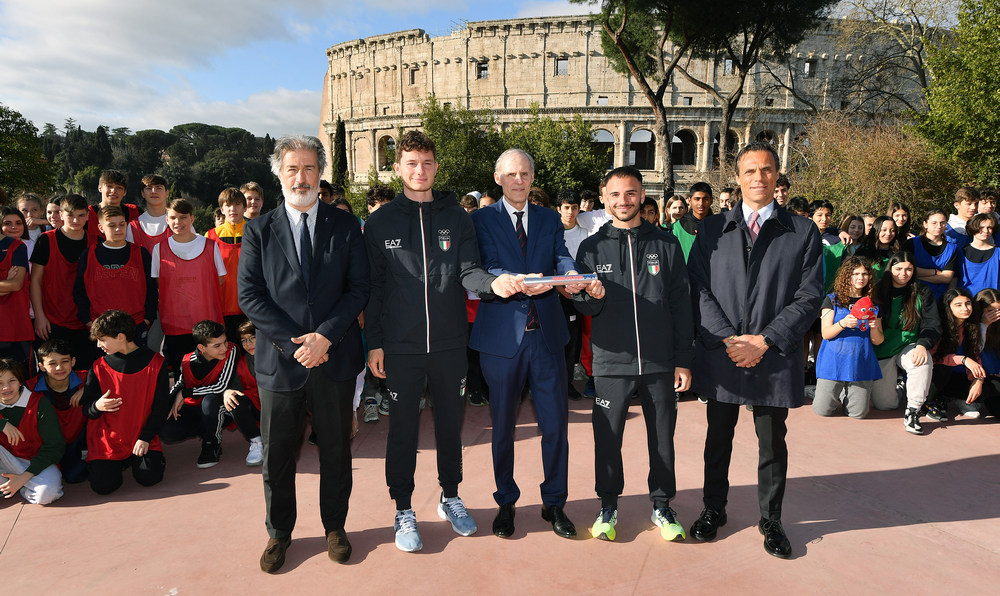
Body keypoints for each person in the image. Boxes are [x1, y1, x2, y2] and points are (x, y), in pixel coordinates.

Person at [364, 130, 516, 553]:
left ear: (436, 166)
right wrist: (374, 343)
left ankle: (451, 496)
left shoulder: (456, 217)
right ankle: (403, 509)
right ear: (397, 168)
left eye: (427, 163)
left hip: (450, 344)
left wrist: (493, 283)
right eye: (411, 163)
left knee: (452, 426)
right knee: (404, 432)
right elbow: (373, 288)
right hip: (401, 346)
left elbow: (469, 271)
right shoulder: (380, 223)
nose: (420, 171)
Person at [238, 134, 369, 573]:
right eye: (292, 168)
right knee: (277, 455)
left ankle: (335, 526)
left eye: (310, 168)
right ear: (279, 173)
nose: (301, 177)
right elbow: (251, 297)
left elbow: (358, 290)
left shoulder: (346, 226)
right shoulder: (257, 230)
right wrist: (297, 343)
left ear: (321, 173)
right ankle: (279, 532)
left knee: (336, 450)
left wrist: (325, 337)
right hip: (280, 362)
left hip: (334, 357)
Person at [687, 140, 823, 559]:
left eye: (766, 171)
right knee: (718, 439)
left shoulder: (802, 231)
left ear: (777, 176)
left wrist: (764, 340)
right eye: (750, 171)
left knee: (772, 443)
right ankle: (714, 510)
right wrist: (730, 339)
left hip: (773, 353)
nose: (758, 178)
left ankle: (772, 520)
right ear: (738, 177)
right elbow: (698, 290)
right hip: (723, 353)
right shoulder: (711, 229)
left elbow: (809, 294)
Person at [470, 148, 588, 540]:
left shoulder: (549, 218)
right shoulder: (482, 219)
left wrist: (569, 275)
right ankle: (506, 501)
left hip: (548, 339)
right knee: (503, 425)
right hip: (502, 340)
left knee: (555, 425)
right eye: (512, 174)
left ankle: (554, 502)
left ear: (532, 178)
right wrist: (518, 279)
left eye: (525, 174)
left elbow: (560, 256)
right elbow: (485, 265)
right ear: (498, 178)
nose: (519, 180)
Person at [572, 166, 691, 543]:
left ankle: (661, 505)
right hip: (611, 362)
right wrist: (585, 296)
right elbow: (584, 309)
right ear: (603, 199)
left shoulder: (666, 243)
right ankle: (608, 505)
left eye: (631, 193)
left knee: (662, 438)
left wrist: (683, 358)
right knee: (608, 439)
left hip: (659, 363)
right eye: (615, 194)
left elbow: (681, 304)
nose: (623, 201)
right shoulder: (590, 248)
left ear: (642, 195)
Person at [82, 309, 170, 495]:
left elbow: (161, 406)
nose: (98, 345)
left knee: (149, 478)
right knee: (103, 487)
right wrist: (97, 406)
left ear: (121, 337)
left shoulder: (156, 362)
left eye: (102, 339)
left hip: (141, 436)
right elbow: (86, 408)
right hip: (109, 441)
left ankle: (136, 458)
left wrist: (146, 437)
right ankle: (115, 461)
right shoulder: (98, 367)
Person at [165, 320, 263, 468]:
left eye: (225, 341)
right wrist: (169, 402)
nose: (224, 347)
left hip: (219, 406)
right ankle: (206, 431)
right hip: (196, 408)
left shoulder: (231, 350)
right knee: (168, 430)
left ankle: (212, 443)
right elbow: (181, 383)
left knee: (211, 402)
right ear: (201, 347)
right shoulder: (187, 360)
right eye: (217, 345)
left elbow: (221, 386)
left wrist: (186, 393)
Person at [151, 198, 226, 376]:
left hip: (208, 323)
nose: (178, 222)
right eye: (173, 217)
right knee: (181, 374)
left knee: (211, 373)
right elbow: (159, 283)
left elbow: (220, 279)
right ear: (167, 220)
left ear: (192, 218)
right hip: (175, 324)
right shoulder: (159, 249)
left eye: (183, 217)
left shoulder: (210, 245)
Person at [870, 252, 940, 434]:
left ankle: (913, 411)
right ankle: (901, 385)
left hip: (909, 346)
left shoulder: (922, 292)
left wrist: (923, 344)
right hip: (881, 349)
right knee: (886, 404)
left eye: (909, 269)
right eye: (898, 268)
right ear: (890, 270)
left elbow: (932, 324)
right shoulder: (877, 291)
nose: (904, 273)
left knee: (922, 361)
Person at [74, 205, 157, 345]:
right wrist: (87, 320)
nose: (118, 229)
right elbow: (79, 290)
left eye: (121, 224)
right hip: (101, 326)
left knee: (135, 366)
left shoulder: (141, 253)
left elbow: (152, 289)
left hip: (135, 324)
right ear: (101, 228)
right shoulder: (89, 254)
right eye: (112, 225)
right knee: (105, 366)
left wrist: (148, 318)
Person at [812, 257, 884, 418]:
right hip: (833, 362)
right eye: (855, 273)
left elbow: (878, 340)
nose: (860, 278)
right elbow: (826, 333)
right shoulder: (832, 299)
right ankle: (825, 390)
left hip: (860, 362)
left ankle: (846, 394)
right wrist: (843, 323)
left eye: (865, 273)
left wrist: (873, 327)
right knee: (822, 411)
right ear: (847, 275)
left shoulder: (873, 303)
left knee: (858, 414)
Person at [29, 195, 95, 368]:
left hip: (86, 322)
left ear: (87, 216)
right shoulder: (46, 240)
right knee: (53, 373)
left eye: (81, 215)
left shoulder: (96, 242)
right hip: (52, 322)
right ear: (61, 214)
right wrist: (39, 316)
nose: (75, 220)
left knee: (85, 375)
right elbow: (35, 281)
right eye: (70, 215)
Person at [0, 358, 65, 504]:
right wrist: (3, 424)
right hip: (5, 460)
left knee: (47, 496)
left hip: (36, 461)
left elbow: (54, 447)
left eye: (12, 380)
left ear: (21, 381)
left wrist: (23, 477)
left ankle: (19, 484)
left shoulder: (39, 403)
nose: (6, 388)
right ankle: (13, 483)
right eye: (0, 383)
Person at [26, 339, 88, 483]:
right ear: (41, 366)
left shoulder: (87, 379)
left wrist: (88, 388)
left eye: (65, 361)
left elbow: (111, 380)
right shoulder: (30, 388)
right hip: (50, 444)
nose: (59, 367)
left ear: (73, 361)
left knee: (75, 477)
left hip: (79, 438)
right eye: (52, 363)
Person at [926, 288, 986, 422]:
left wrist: (978, 380)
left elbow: (974, 355)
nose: (965, 308)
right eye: (958, 305)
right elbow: (933, 357)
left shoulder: (969, 326)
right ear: (948, 307)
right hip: (931, 375)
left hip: (950, 380)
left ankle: (955, 398)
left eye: (968, 303)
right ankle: (928, 402)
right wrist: (963, 359)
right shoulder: (939, 325)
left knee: (994, 386)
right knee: (944, 369)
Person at [556, 189, 590, 400]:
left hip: (578, 297)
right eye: (566, 207)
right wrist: (560, 289)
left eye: (574, 207)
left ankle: (567, 383)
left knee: (573, 342)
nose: (570, 212)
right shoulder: (552, 233)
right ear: (558, 209)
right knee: (553, 342)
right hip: (554, 296)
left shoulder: (586, 234)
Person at [206, 188, 248, 344]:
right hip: (222, 306)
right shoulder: (210, 237)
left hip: (250, 306)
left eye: (237, 204)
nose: (233, 209)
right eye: (228, 205)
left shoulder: (256, 232)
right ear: (222, 209)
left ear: (244, 208)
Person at [0, 207, 33, 365]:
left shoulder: (18, 247)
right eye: (8, 223)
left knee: (20, 383)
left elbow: (15, 284)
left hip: (14, 328)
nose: (13, 227)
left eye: (18, 223)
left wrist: (9, 284)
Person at [902, 209, 958, 301]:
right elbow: (905, 270)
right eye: (934, 223)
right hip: (914, 296)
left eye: (942, 223)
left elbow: (947, 278)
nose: (938, 226)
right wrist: (935, 272)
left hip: (939, 298)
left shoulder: (952, 249)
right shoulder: (911, 244)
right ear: (925, 224)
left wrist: (916, 276)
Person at [87, 170, 141, 245]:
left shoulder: (135, 212)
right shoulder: (87, 214)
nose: (113, 191)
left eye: (119, 188)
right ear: (100, 188)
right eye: (109, 186)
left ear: (125, 192)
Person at [972, 288, 1000, 419]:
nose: (995, 315)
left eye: (998, 311)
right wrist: (984, 324)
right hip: (977, 377)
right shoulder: (972, 325)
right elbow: (975, 350)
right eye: (990, 311)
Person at [958, 213, 999, 297]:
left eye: (989, 227)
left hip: (993, 302)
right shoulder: (961, 252)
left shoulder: (998, 253)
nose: (985, 231)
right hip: (968, 300)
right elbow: (954, 279)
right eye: (981, 227)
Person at [672, 181, 713, 261]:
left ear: (711, 201)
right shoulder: (677, 227)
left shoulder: (719, 226)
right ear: (690, 201)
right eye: (697, 199)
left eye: (705, 199)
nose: (701, 203)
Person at [132, 175, 172, 253]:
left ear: (167, 193)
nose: (154, 191)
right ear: (143, 193)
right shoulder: (133, 226)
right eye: (149, 188)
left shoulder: (180, 222)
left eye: (158, 188)